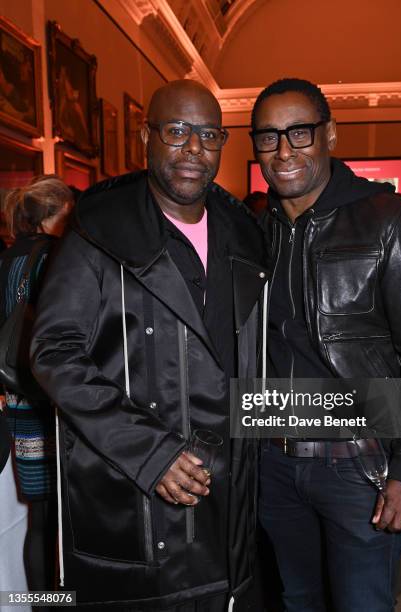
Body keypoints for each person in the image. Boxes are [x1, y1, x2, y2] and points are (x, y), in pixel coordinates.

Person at [31, 80, 267, 611]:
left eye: (208, 135)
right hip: (136, 486)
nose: (193, 149)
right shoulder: (97, 231)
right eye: (177, 131)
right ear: (147, 136)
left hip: (227, 488)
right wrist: (151, 451)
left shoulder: (246, 236)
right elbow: (54, 351)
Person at [250, 78, 401, 612]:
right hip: (272, 459)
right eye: (269, 137)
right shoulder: (254, 231)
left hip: (358, 464)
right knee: (296, 600)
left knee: (361, 603)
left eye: (299, 132)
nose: (285, 150)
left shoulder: (390, 220)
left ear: (330, 135)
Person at [0, 175, 73, 595]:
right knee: (58, 518)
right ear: (57, 213)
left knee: (37, 518)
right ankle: (57, 599)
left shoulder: (8, 257)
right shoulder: (55, 256)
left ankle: (39, 603)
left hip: (16, 399)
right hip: (50, 401)